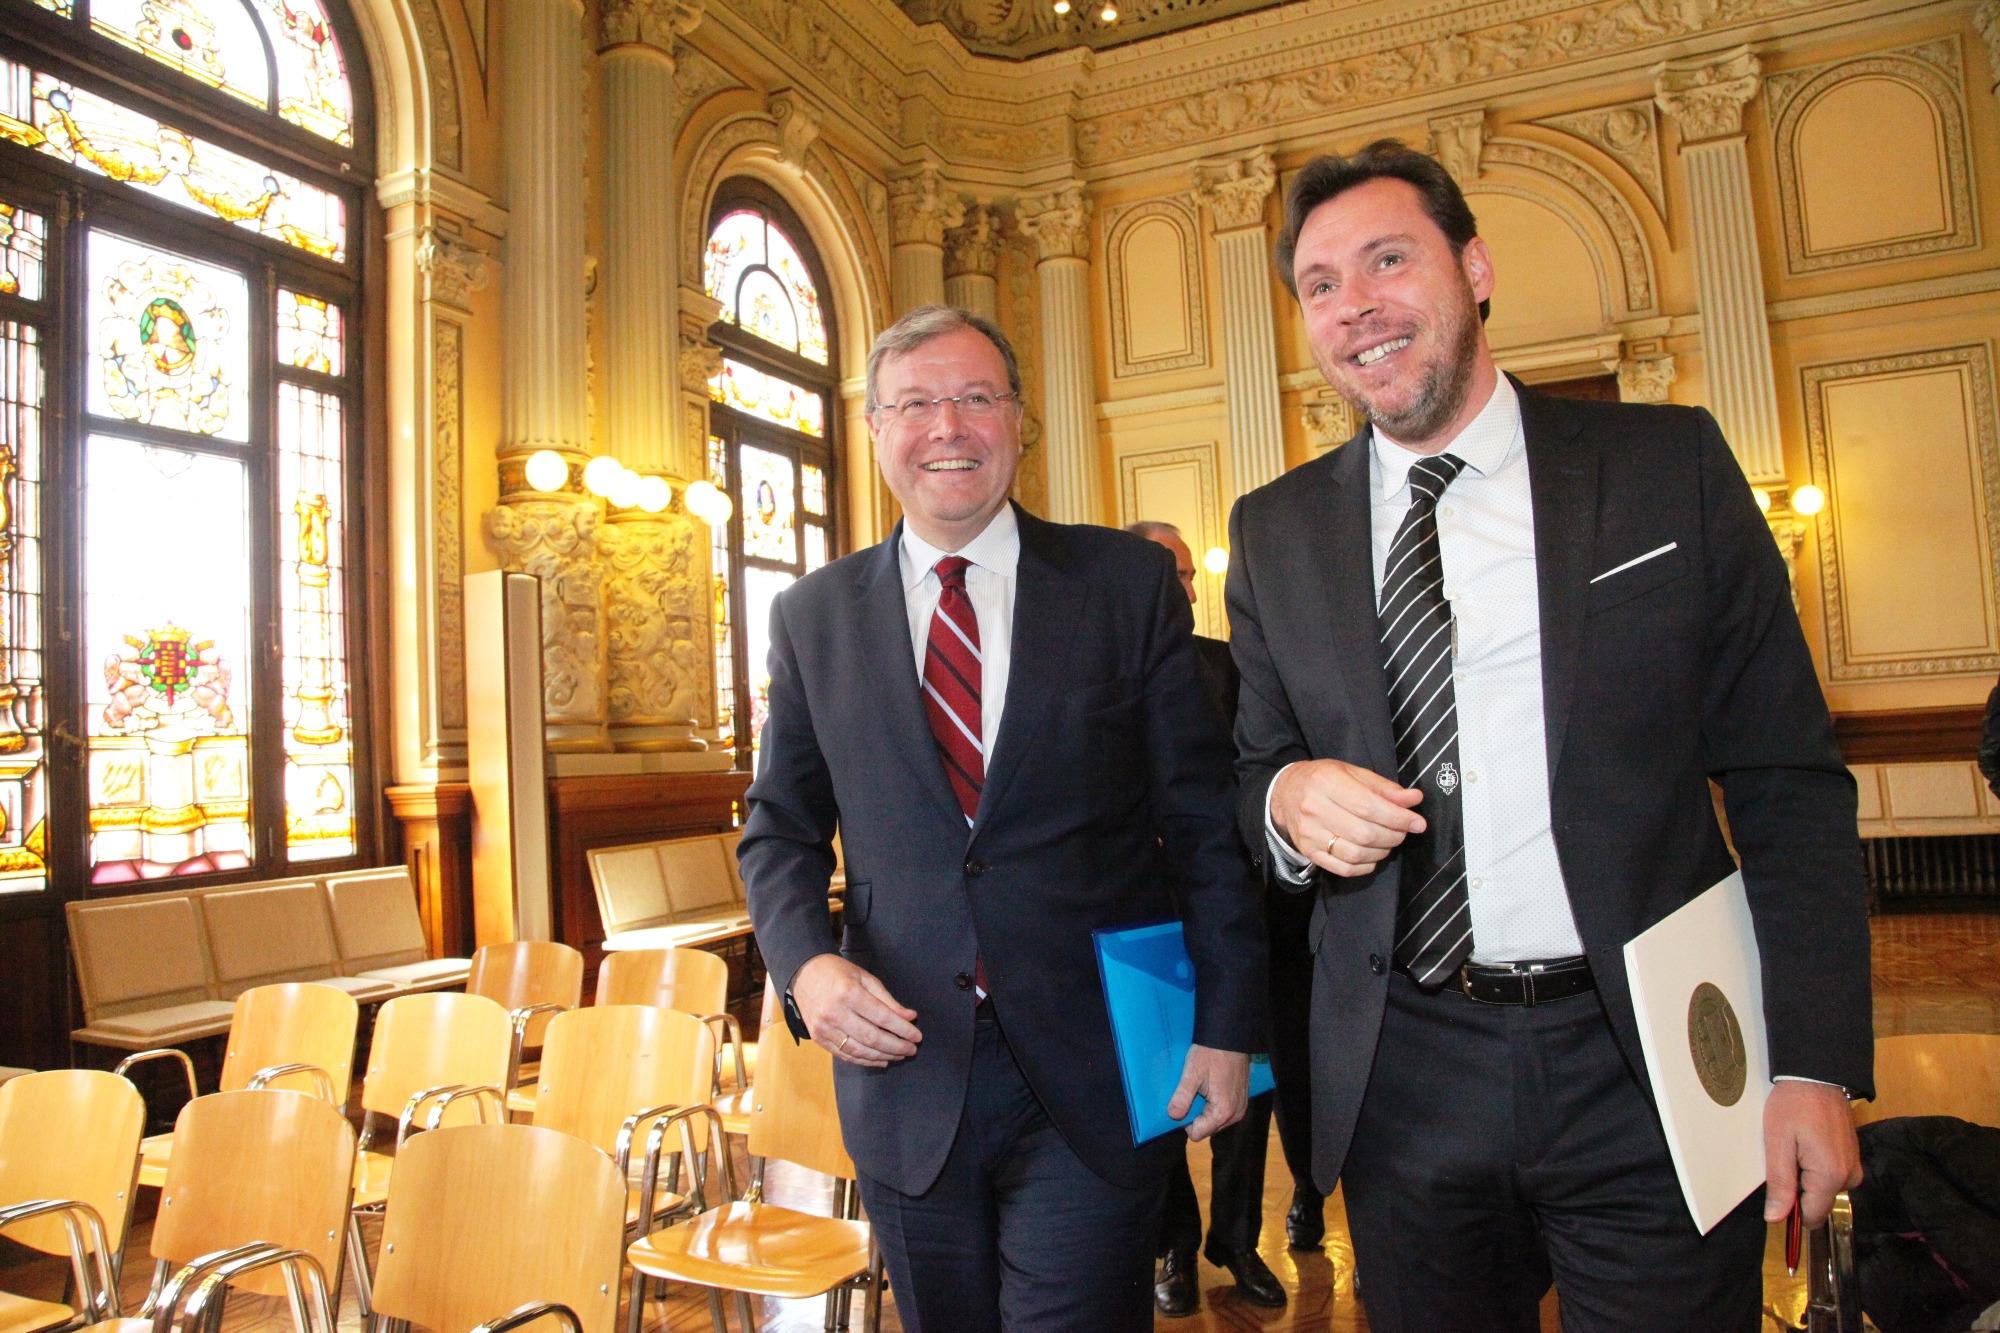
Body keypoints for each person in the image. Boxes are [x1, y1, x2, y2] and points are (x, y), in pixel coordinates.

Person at [1225, 140, 1874, 1332]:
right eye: (1318, 284)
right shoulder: (1273, 532)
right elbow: (1252, 767)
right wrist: (1284, 801)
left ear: (1472, 269)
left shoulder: (1663, 468)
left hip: (1647, 1056)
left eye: (1386, 260)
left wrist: (1810, 1063)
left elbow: (1786, 780)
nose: (1353, 303)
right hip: (1403, 1071)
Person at [740, 305, 1265, 1333]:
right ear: (875, 429)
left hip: (1094, 1064)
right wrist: (805, 965)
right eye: (915, 403)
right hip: (906, 1068)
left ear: (1019, 420)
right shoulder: (812, 616)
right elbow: (779, 830)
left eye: (975, 397)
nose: (948, 426)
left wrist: (1228, 1023)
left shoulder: (1122, 586)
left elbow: (1204, 820)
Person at [1124, 519, 1294, 1316]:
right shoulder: (1100, 664)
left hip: (1232, 909)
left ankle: (1236, 1239)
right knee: (1158, 1086)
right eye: (1175, 574)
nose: (1189, 589)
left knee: (1247, 1084)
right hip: (1142, 921)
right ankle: (1173, 1243)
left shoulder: (1230, 664)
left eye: (1192, 575)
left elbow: (1257, 769)